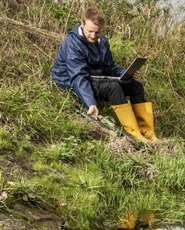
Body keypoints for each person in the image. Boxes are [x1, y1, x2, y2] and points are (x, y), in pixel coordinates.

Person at [51, 7, 157, 142]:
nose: (94, 36)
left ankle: (148, 134)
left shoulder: (102, 42)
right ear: (82, 24)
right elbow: (78, 76)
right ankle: (134, 134)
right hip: (70, 80)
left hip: (95, 77)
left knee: (135, 86)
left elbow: (110, 67)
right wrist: (91, 103)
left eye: (97, 32)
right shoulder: (73, 43)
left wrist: (125, 73)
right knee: (113, 87)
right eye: (90, 31)